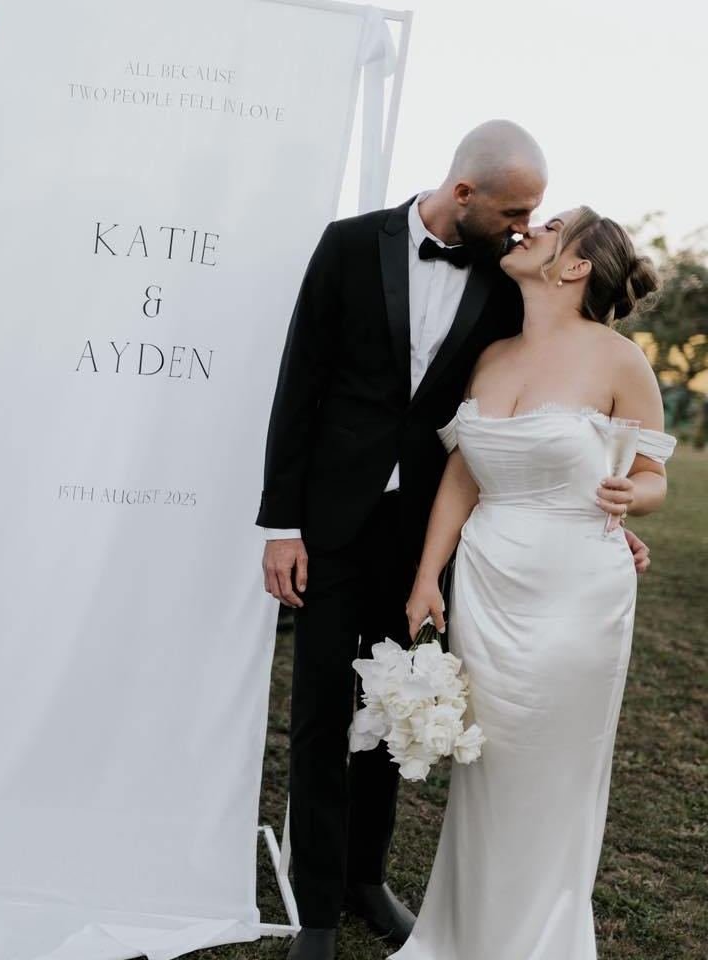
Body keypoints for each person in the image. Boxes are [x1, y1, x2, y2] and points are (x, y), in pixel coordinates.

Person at [256, 120, 652, 960]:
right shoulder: (346, 245)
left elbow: (565, 393)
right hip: (330, 524)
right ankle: (318, 914)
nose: (522, 228)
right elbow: (301, 382)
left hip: (431, 533)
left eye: (537, 218)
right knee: (322, 709)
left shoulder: (510, 284)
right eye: (515, 210)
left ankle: (368, 880)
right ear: (464, 192)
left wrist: (611, 512)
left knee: (400, 707)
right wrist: (282, 524)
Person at [397, 209, 674, 959]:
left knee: (552, 766)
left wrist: (631, 497)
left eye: (549, 228)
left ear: (576, 266)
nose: (529, 231)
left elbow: (651, 478)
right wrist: (429, 575)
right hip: (487, 584)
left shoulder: (620, 360)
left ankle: (540, 939)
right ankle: (466, 933)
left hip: (577, 591)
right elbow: (464, 471)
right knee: (487, 765)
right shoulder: (490, 357)